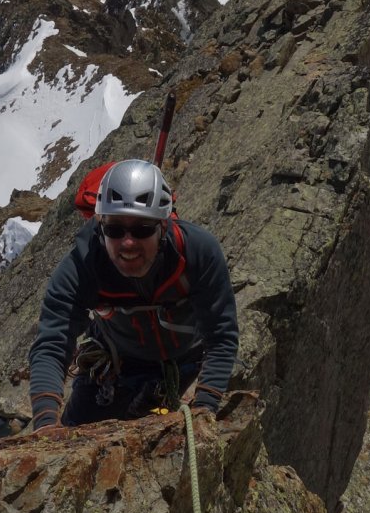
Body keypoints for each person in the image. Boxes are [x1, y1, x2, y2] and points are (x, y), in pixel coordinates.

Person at [29, 158, 238, 432]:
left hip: (189, 362)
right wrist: (45, 425)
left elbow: (221, 337)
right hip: (118, 367)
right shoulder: (83, 266)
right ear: (101, 226)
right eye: (115, 229)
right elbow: (51, 345)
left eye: (142, 229)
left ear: (163, 227)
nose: (128, 243)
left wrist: (204, 408)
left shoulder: (197, 252)